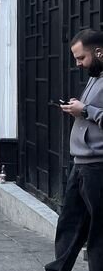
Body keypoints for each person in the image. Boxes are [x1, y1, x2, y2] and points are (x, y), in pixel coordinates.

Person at [45, 29, 103, 271]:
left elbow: (93, 113)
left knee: (98, 231)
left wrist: (86, 110)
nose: (78, 64)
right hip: (81, 163)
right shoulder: (95, 76)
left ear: (99, 52)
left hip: (98, 165)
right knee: (69, 224)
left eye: (81, 58)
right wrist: (77, 109)